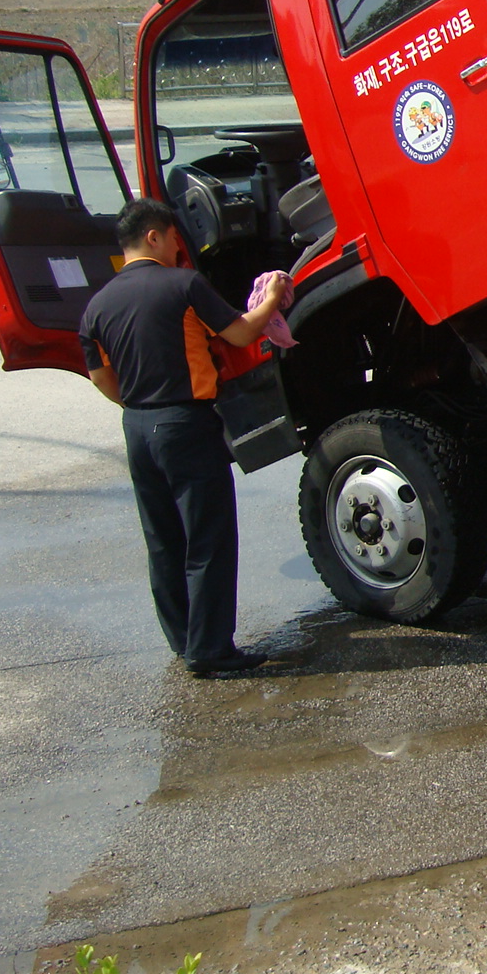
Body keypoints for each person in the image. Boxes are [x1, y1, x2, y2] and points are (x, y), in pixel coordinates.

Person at [80, 199, 290, 678]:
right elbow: (241, 335)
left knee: (163, 540)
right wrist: (274, 296)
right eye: (174, 238)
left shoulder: (97, 305)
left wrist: (139, 407)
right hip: (185, 424)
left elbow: (100, 377)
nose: (178, 247)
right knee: (208, 537)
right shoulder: (184, 285)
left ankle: (183, 639)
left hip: (138, 427)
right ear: (153, 236)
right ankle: (211, 649)